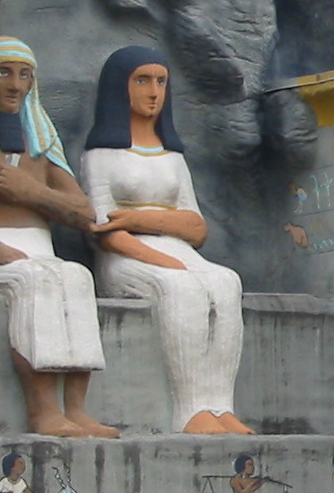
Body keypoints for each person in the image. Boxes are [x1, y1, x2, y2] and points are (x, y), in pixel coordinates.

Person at [0, 37, 116, 438]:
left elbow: (85, 213)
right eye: (4, 73)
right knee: (32, 282)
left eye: (24, 75)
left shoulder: (41, 146)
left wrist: (31, 192)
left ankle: (77, 409)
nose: (15, 85)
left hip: (41, 252)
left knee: (77, 277)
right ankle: (43, 411)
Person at [80, 46, 251, 435]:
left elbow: (196, 228)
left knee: (227, 282)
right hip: (126, 259)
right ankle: (191, 410)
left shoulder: (173, 157)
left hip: (180, 253)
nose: (153, 91)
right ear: (119, 88)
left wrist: (142, 217)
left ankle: (221, 407)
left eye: (160, 81)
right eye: (142, 80)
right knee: (180, 289)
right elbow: (104, 230)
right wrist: (159, 253)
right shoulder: (100, 155)